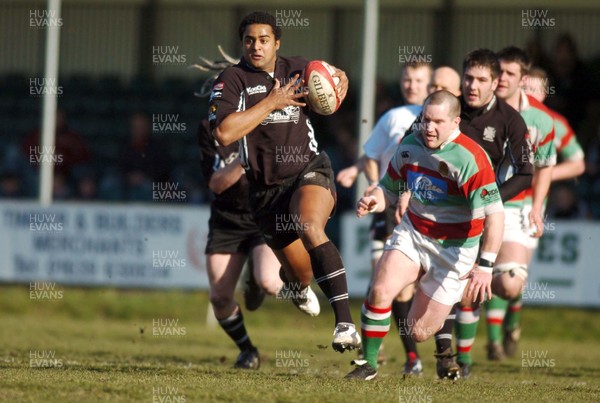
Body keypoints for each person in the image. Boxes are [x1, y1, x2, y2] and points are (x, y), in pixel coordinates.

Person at [209, 11, 360, 352]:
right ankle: (286, 285)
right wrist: (271, 102)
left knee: (309, 224)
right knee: (299, 277)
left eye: (264, 40)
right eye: (249, 40)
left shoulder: (299, 69)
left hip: (308, 170)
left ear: (277, 43)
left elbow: (333, 83)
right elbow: (224, 131)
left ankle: (345, 326)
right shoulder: (232, 80)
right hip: (264, 192)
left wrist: (339, 83)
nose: (256, 47)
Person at [345, 90, 505, 381]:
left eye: (437, 122)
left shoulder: (471, 158)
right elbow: (389, 188)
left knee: (418, 331)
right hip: (414, 233)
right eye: (425, 120)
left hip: (455, 250)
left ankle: (445, 346)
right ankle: (368, 365)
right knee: (380, 289)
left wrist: (484, 266)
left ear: (456, 122)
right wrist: (375, 199)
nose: (429, 128)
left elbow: (495, 215)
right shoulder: (409, 146)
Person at [415, 49, 533, 379]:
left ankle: (459, 360)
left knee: (470, 290)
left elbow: (526, 173)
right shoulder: (447, 111)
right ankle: (442, 353)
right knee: (436, 281)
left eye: (482, 80)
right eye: (468, 77)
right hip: (436, 212)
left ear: (496, 83)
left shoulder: (510, 121)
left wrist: (487, 199)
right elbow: (412, 147)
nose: (473, 85)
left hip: (483, 216)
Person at [198, 118, 319, 370]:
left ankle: (265, 280)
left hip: (265, 212)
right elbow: (216, 183)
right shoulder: (212, 127)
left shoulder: (272, 118)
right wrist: (245, 158)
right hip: (228, 219)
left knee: (270, 283)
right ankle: (247, 351)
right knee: (220, 298)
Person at [336, 61, 432, 375]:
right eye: (407, 79)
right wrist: (360, 171)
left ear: (430, 84)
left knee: (409, 290)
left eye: (418, 80)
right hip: (389, 207)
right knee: (383, 281)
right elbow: (372, 154)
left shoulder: (434, 119)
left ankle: (427, 355)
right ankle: (383, 357)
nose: (411, 85)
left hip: (425, 209)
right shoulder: (392, 116)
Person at [482, 46, 556, 361]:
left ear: (522, 79)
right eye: (500, 72)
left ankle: (507, 317)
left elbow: (546, 165)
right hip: (471, 205)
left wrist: (537, 208)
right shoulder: (474, 108)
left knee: (511, 283)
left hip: (515, 208)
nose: (503, 79)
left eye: (511, 73)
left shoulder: (541, 119)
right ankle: (458, 356)